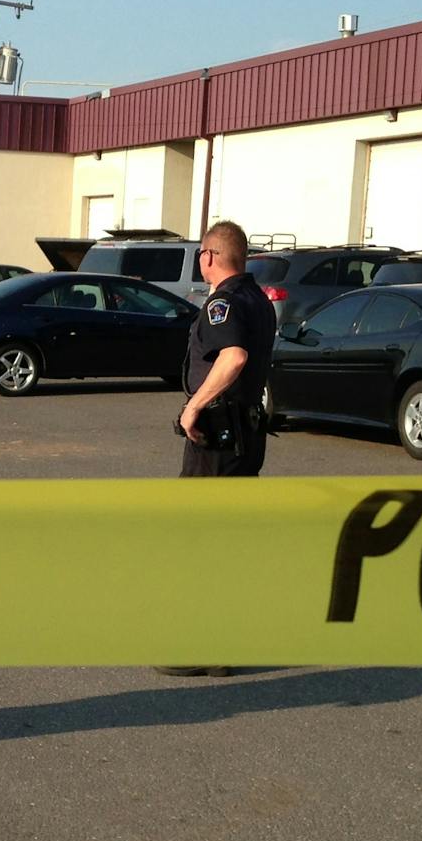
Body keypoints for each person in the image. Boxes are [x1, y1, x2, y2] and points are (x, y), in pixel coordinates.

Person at [158, 218, 276, 679]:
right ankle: (223, 644)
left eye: (201, 257)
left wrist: (193, 408)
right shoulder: (258, 301)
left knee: (197, 541)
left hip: (218, 438)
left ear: (209, 256)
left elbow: (234, 357)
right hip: (246, 437)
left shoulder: (223, 304)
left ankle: (198, 645)